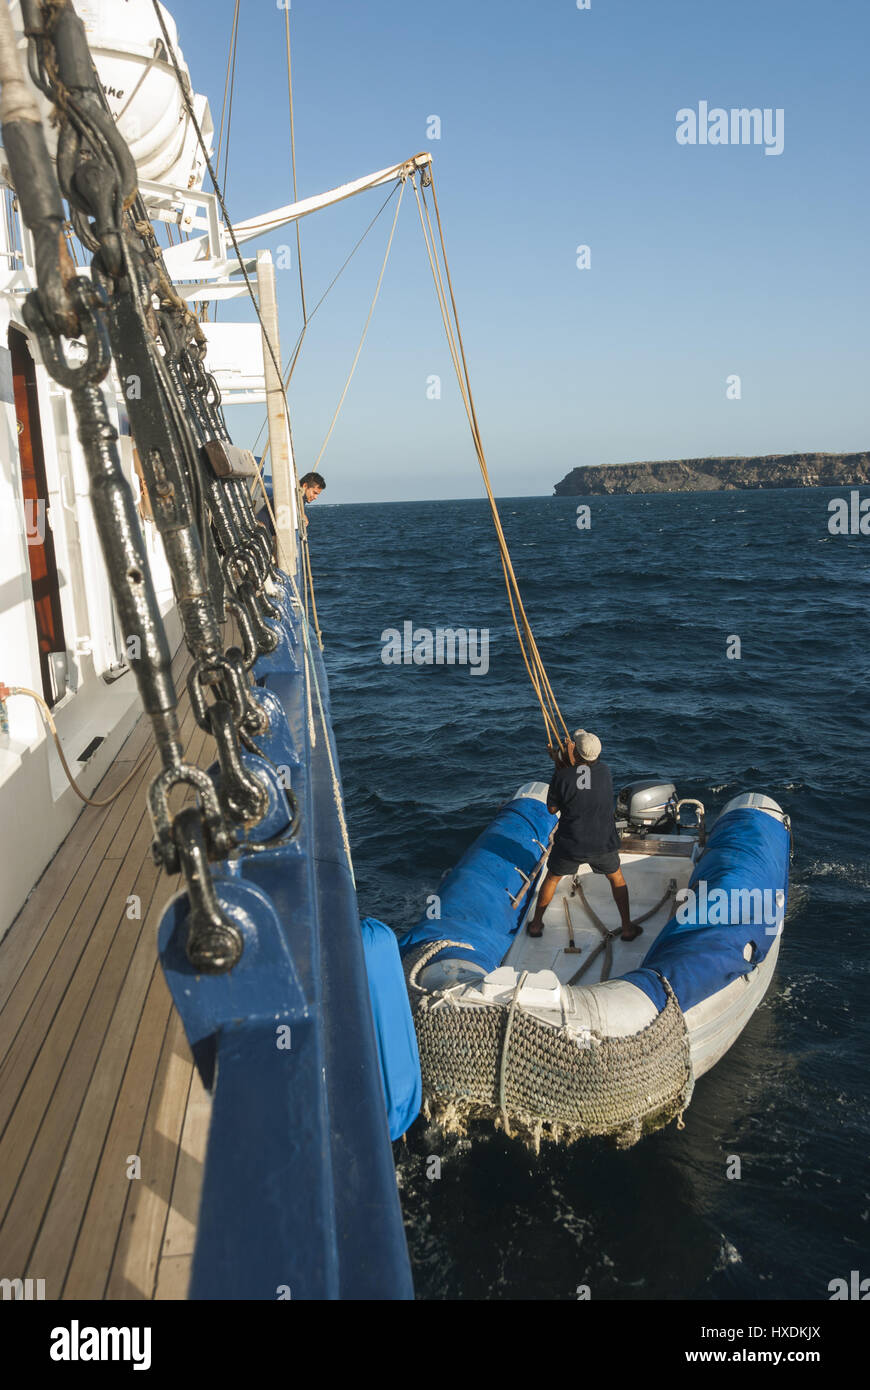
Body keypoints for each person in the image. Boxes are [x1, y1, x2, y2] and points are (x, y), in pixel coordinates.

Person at [526, 728, 640, 941]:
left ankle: (536, 924)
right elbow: (584, 779)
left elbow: (552, 808)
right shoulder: (605, 771)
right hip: (602, 842)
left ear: (576, 753)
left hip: (571, 844)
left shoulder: (562, 775)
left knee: (552, 879)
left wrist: (557, 766)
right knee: (616, 878)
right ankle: (627, 927)